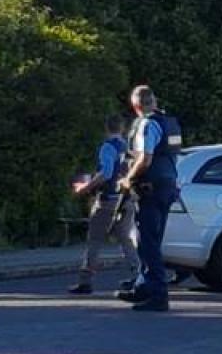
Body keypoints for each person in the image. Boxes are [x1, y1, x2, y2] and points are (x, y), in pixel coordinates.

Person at [116, 85, 182, 312]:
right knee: (150, 240)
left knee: (148, 244)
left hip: (150, 189)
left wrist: (127, 179)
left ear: (135, 106)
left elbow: (145, 159)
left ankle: (158, 295)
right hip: (167, 187)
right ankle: (143, 287)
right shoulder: (168, 122)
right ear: (153, 101)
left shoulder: (147, 124)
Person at [68, 114, 140, 295]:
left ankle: (86, 280)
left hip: (108, 199)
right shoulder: (128, 148)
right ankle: (139, 275)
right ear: (122, 129)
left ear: (107, 128)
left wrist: (86, 187)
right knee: (126, 239)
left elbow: (106, 173)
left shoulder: (108, 147)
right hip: (126, 198)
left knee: (95, 240)